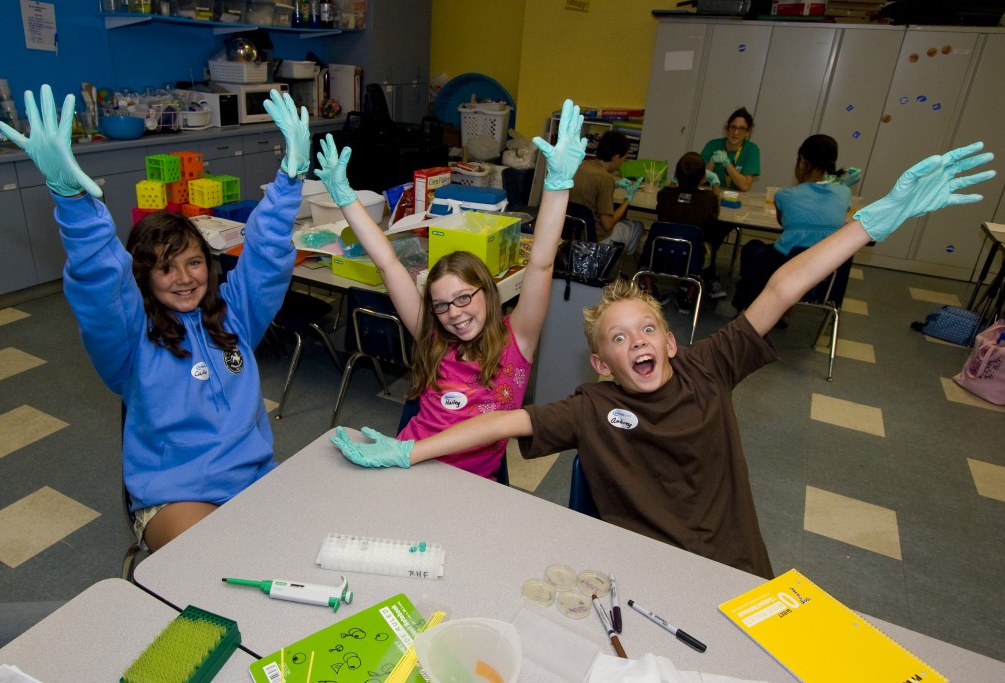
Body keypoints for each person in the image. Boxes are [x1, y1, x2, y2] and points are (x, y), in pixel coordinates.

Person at [330, 142, 994, 578]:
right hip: (634, 569)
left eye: (645, 329)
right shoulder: (593, 405)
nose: (635, 342)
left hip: (734, 569)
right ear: (599, 363)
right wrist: (406, 452)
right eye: (616, 339)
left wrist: (874, 220)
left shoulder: (708, 366)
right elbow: (506, 424)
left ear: (672, 339)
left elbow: (783, 287)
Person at [0, 85, 313, 551]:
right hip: (174, 494)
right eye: (165, 268)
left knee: (305, 549)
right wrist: (72, 203)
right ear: (143, 277)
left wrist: (289, 181)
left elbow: (265, 258)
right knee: (212, 563)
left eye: (193, 262)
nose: (184, 278)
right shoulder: (129, 341)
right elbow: (101, 284)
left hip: (252, 476)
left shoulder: (235, 315)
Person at [313, 99, 587, 480]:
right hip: (410, 465)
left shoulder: (517, 340)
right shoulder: (433, 335)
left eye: (463, 298)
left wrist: (557, 187)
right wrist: (345, 198)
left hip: (471, 486)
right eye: (441, 306)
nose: (454, 313)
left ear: (488, 294)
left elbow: (541, 264)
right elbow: (388, 262)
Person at [732, 134, 853, 313]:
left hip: (788, 267)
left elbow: (784, 222)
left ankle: (750, 310)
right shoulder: (844, 192)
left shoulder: (785, 196)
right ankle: (783, 312)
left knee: (753, 249)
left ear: (802, 161)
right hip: (825, 273)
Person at [643, 151, 724, 310]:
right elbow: (715, 216)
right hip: (692, 257)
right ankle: (688, 297)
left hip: (659, 253)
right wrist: (715, 185)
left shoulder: (664, 195)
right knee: (707, 242)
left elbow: (672, 198)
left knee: (640, 237)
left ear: (675, 174)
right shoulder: (709, 199)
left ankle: (649, 288)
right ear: (703, 178)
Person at [571, 130, 645, 256]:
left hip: (572, 234)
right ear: (616, 157)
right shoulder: (606, 179)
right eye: (623, 159)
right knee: (637, 226)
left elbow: (588, 189)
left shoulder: (581, 166)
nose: (622, 163)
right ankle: (612, 264)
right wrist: (627, 200)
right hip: (596, 240)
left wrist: (615, 185)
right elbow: (608, 225)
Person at [702, 107, 760, 192]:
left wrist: (728, 165)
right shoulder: (712, 145)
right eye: (733, 127)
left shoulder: (752, 150)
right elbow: (697, 182)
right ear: (727, 129)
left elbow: (745, 186)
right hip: (711, 192)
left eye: (742, 128)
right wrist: (711, 163)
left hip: (735, 197)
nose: (736, 132)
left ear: (747, 132)